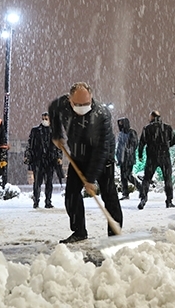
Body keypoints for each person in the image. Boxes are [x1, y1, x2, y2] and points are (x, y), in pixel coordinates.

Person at [48, 82, 122, 243]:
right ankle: (79, 231)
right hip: (78, 155)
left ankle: (115, 234)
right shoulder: (63, 105)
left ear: (92, 98)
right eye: (78, 104)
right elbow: (53, 109)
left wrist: (90, 179)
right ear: (70, 100)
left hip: (103, 157)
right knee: (72, 195)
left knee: (109, 195)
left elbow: (101, 150)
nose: (83, 107)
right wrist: (56, 134)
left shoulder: (101, 115)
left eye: (86, 103)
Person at [137, 110, 175, 209]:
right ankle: (169, 200)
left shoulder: (147, 128)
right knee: (167, 179)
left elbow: (141, 143)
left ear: (152, 117)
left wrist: (140, 154)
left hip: (152, 157)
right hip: (164, 156)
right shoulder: (167, 127)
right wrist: (166, 146)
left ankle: (143, 198)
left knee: (147, 179)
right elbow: (174, 140)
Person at [24, 112, 62, 208]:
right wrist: (28, 155)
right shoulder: (35, 131)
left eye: (46, 118)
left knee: (49, 182)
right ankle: (36, 201)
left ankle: (48, 201)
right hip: (38, 160)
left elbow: (59, 147)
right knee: (37, 182)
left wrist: (58, 157)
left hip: (50, 160)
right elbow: (30, 144)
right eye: (43, 118)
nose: (44, 120)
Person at [116, 117, 141, 200]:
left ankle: (141, 188)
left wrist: (128, 151)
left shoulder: (131, 132)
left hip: (128, 158)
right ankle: (125, 193)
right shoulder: (120, 134)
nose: (120, 125)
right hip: (122, 159)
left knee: (128, 175)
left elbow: (134, 144)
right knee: (123, 177)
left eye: (121, 123)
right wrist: (118, 156)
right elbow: (119, 146)